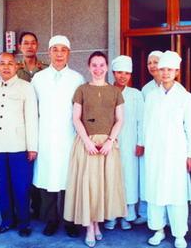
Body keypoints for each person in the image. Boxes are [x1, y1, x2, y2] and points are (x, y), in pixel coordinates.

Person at [64, 51, 126, 247]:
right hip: (86, 144)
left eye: (101, 65)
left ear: (107, 67)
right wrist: (87, 142)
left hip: (108, 146)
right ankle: (89, 228)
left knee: (102, 186)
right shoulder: (81, 89)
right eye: (94, 65)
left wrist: (110, 141)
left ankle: (97, 223)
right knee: (89, 186)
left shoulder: (116, 92)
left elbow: (119, 120)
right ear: (89, 67)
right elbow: (76, 118)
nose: (98, 69)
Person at [32, 35, 84, 237]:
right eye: (55, 49)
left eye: (63, 50)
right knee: (48, 180)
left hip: (68, 136)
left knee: (68, 181)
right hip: (44, 136)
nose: (59, 53)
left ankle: (70, 221)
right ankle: (51, 220)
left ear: (69, 53)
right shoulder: (39, 78)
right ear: (49, 52)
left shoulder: (77, 78)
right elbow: (32, 109)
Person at [0, 52, 38, 237]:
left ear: (17, 66)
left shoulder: (26, 87)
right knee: (3, 187)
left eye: (10, 63)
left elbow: (31, 118)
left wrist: (32, 146)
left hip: (19, 146)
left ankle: (24, 223)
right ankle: (6, 220)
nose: (6, 67)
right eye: (2, 63)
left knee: (21, 187)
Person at [143, 50, 191, 248]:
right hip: (155, 151)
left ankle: (179, 233)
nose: (165, 73)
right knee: (155, 191)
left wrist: (190, 155)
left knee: (177, 193)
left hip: (176, 153)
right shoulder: (151, 96)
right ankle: (158, 229)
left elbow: (190, 128)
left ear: (177, 71)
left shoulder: (185, 97)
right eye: (162, 69)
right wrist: (144, 145)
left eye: (170, 69)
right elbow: (145, 124)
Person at [104, 55, 144, 231]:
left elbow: (141, 121)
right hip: (108, 143)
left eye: (127, 73)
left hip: (130, 143)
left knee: (128, 178)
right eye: (120, 72)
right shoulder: (104, 91)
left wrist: (140, 142)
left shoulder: (136, 95)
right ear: (113, 72)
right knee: (111, 179)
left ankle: (128, 216)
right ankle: (111, 216)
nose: (123, 76)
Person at [16, 31, 47, 219]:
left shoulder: (46, 69)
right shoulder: (15, 69)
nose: (29, 46)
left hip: (42, 123)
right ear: (20, 46)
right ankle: (21, 209)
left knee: (39, 167)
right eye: (26, 43)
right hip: (20, 125)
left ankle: (40, 208)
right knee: (22, 169)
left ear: (37, 46)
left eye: (33, 43)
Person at [137, 50, 163, 225]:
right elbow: (142, 118)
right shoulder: (146, 89)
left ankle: (165, 218)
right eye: (149, 62)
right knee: (147, 177)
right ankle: (146, 214)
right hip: (150, 141)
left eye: (156, 62)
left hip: (168, 143)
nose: (152, 65)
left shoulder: (176, 89)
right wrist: (142, 142)